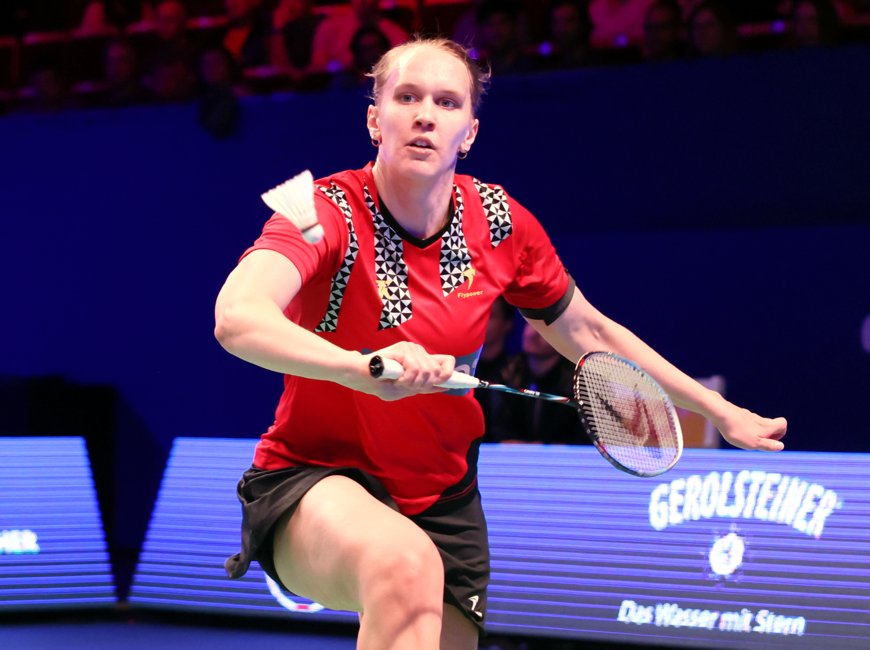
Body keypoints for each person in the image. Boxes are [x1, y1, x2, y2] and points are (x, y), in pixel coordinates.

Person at [215, 36, 787, 650]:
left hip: (443, 497)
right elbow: (238, 317)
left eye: (447, 102)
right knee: (403, 564)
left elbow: (590, 333)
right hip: (315, 480)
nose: (426, 115)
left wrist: (717, 410)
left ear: (469, 132)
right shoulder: (323, 211)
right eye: (407, 97)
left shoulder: (499, 222)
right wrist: (360, 367)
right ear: (375, 120)